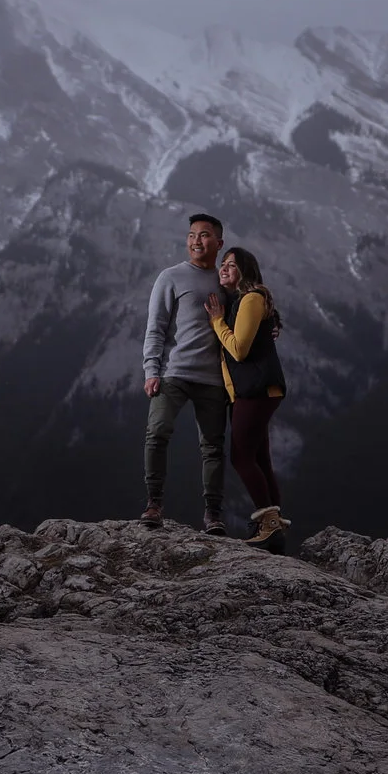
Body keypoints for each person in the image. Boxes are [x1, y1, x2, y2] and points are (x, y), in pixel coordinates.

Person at [139, 212, 231, 533]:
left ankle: (213, 515)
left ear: (219, 243)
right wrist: (152, 369)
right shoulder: (171, 277)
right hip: (173, 373)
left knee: (213, 446)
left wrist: (270, 327)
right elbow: (156, 327)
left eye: (204, 235)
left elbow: (248, 315)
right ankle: (153, 504)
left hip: (213, 379)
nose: (196, 241)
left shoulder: (225, 282)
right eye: (192, 235)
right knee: (157, 432)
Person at [205, 245, 291, 544]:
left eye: (232, 264)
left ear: (245, 270)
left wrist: (217, 321)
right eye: (223, 264)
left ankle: (268, 525)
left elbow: (239, 350)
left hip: (257, 390)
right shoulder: (242, 300)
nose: (224, 268)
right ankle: (274, 527)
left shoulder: (252, 298)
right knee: (260, 458)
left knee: (241, 458)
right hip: (254, 390)